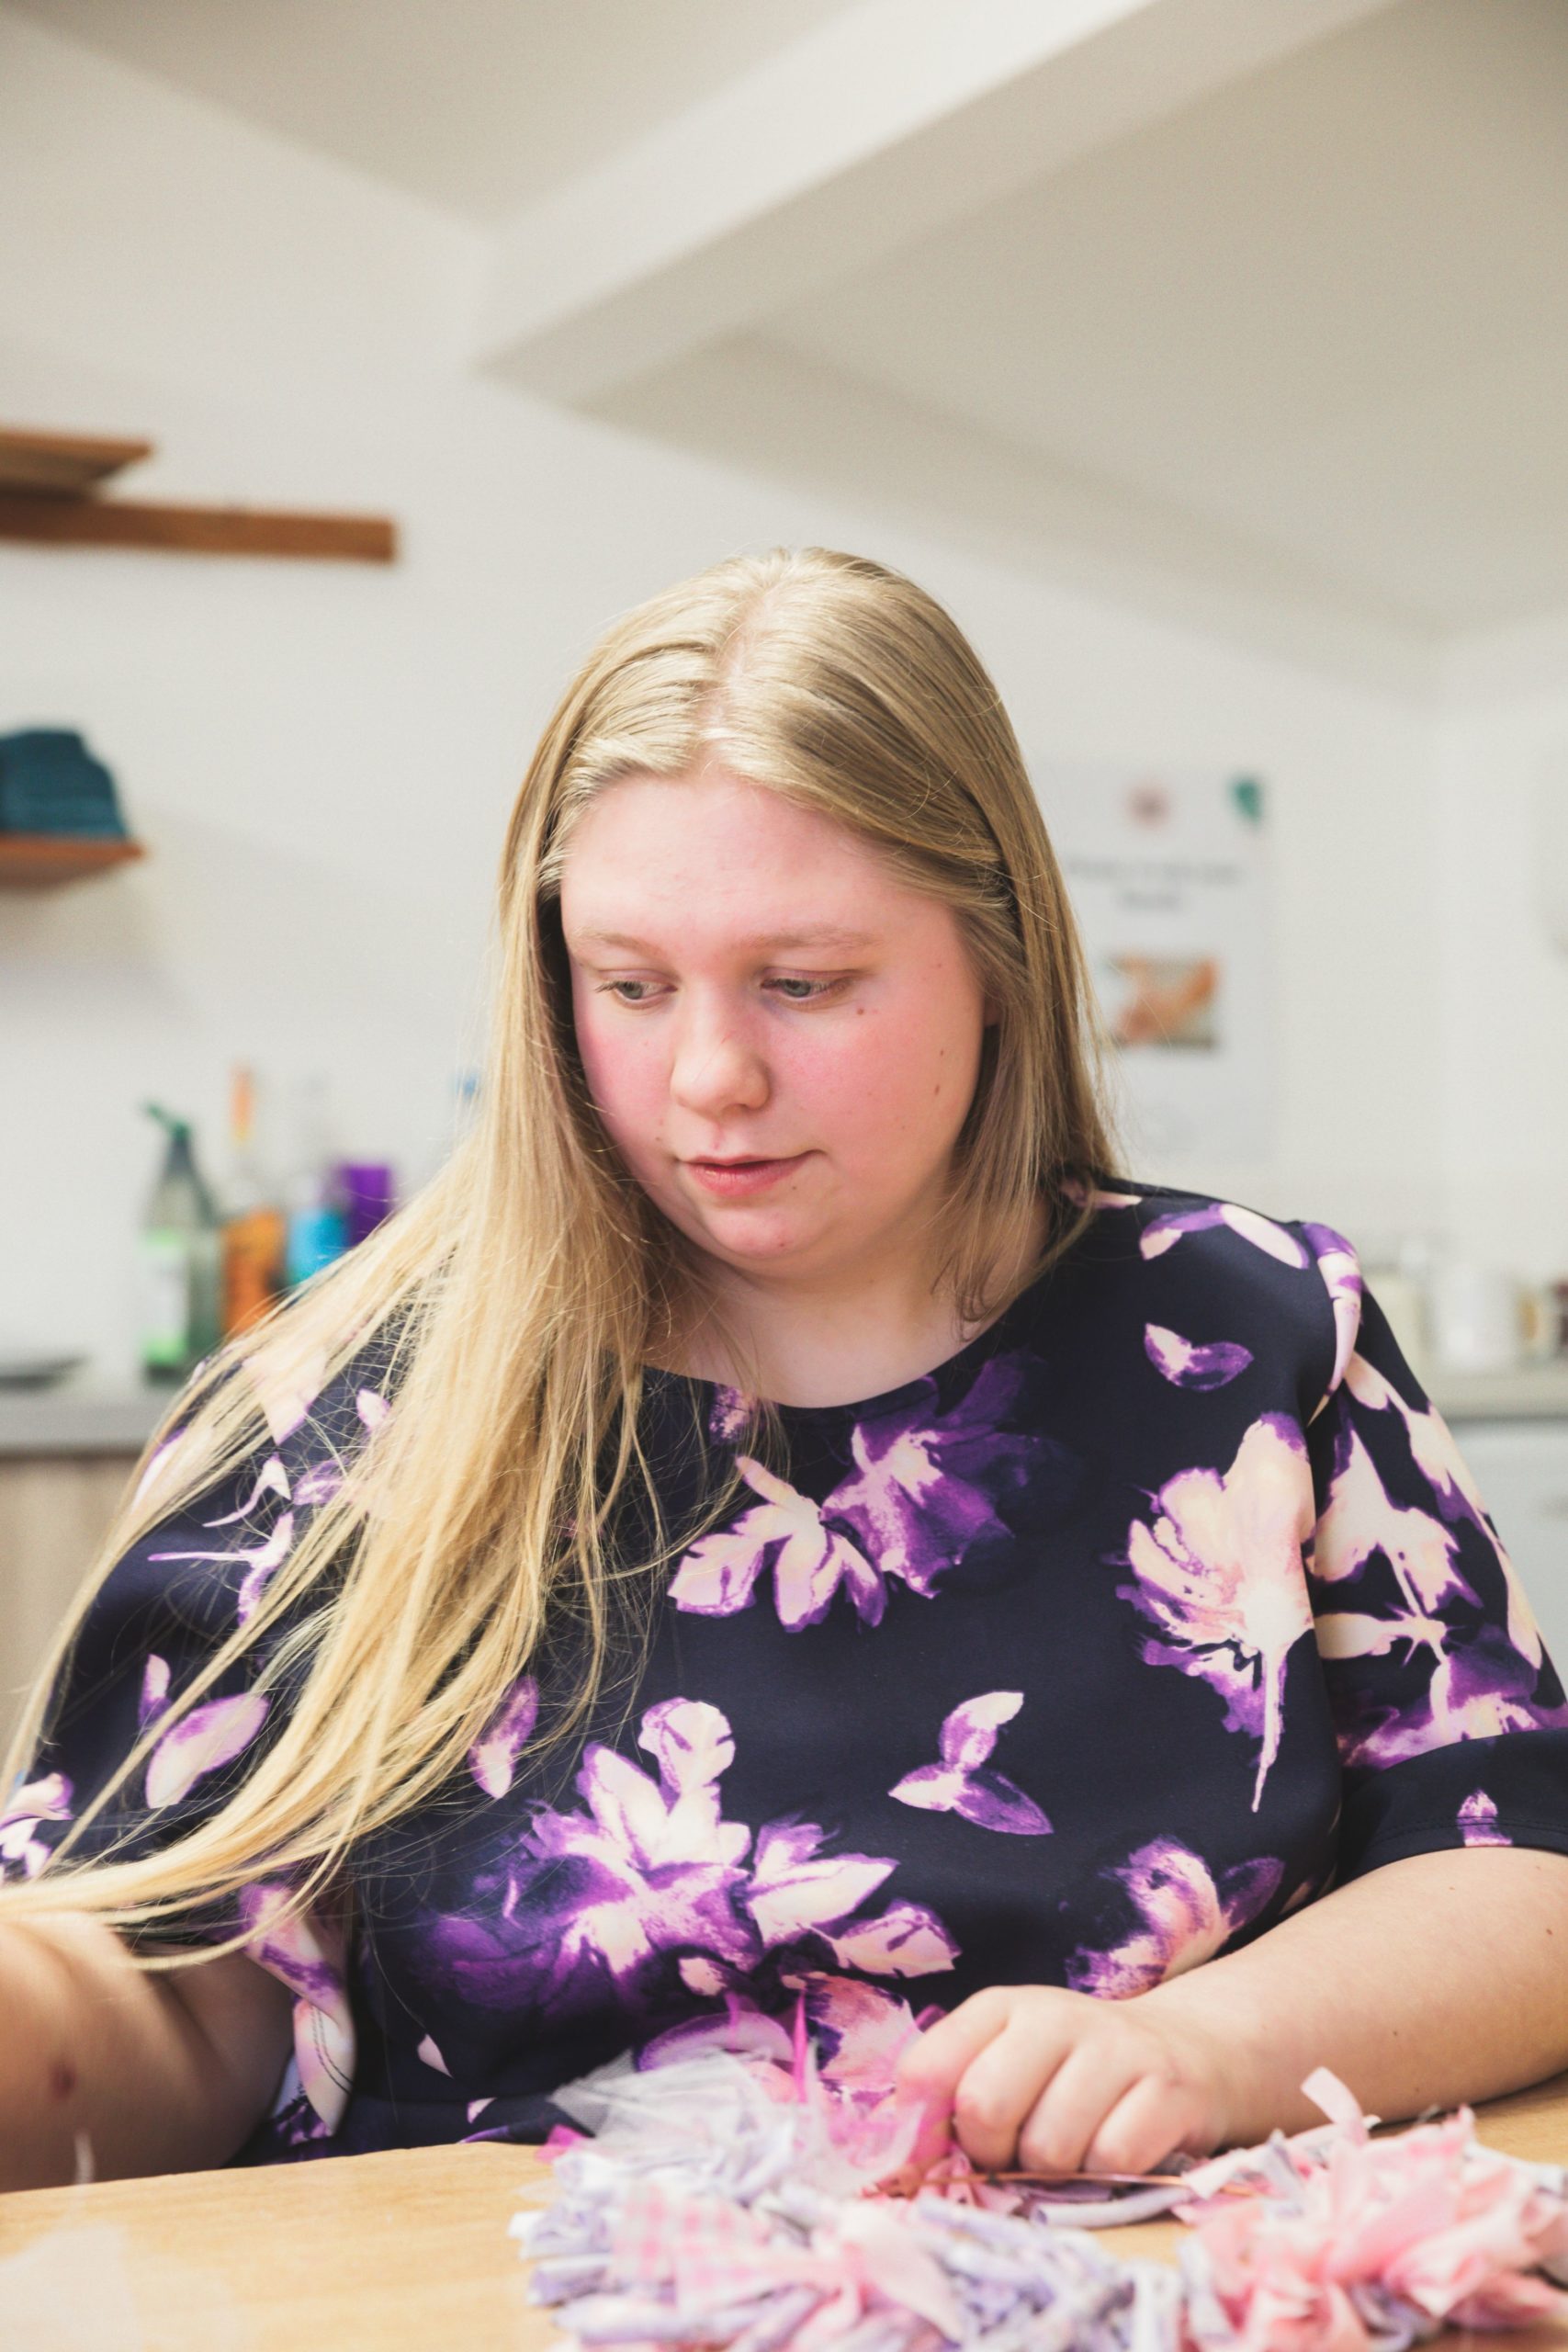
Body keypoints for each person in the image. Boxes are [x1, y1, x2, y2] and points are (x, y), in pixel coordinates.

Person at [4, 548, 1568, 2195]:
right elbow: (172, 1986)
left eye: (804, 983)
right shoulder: (342, 1404)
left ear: (998, 954)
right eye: (629, 984)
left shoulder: (1247, 1333)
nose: (710, 1076)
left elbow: (1522, 1874)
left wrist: (1206, 2049)